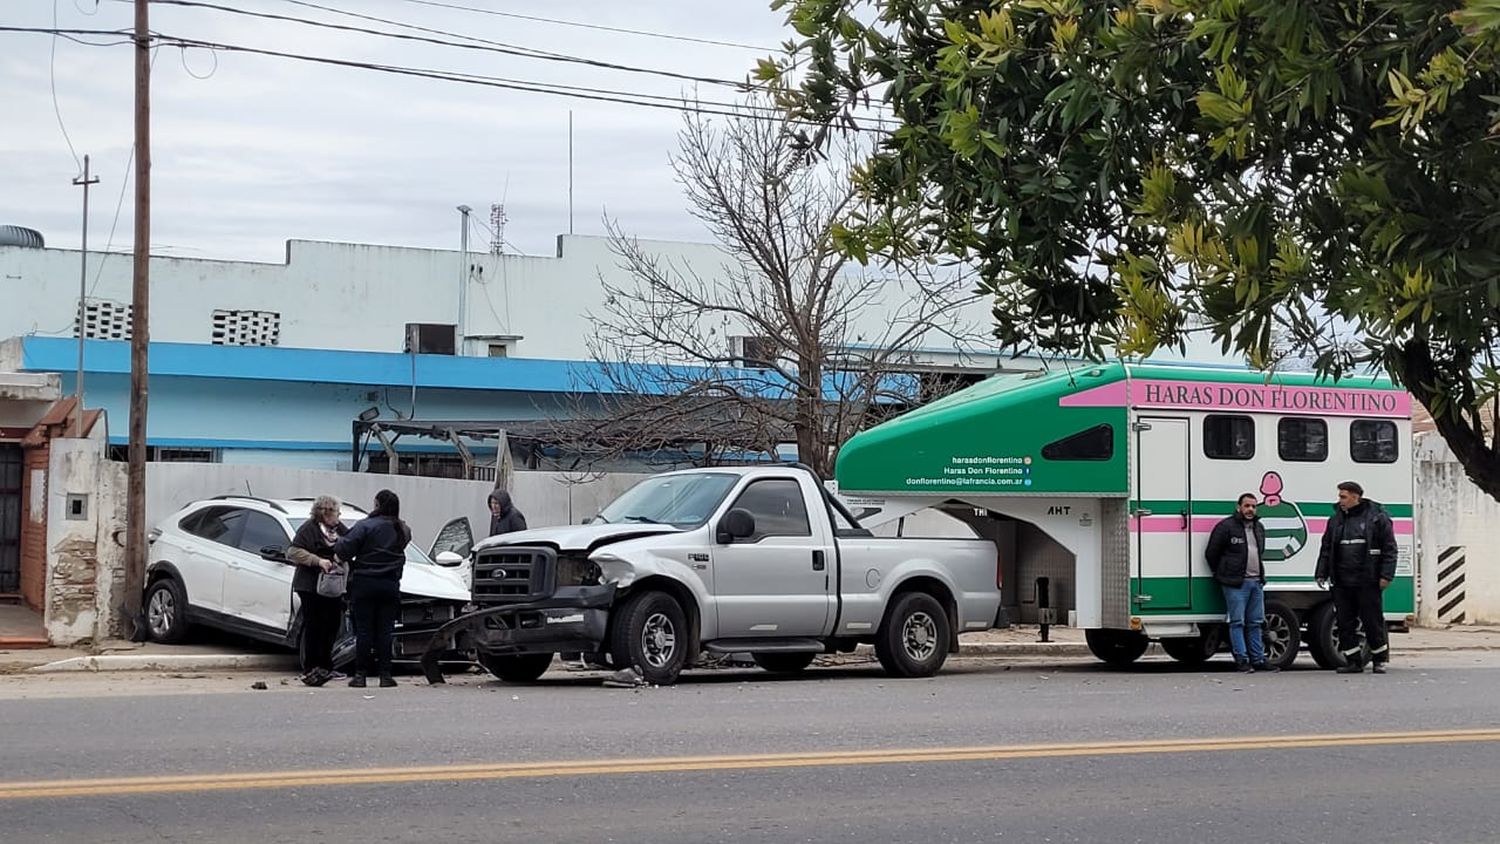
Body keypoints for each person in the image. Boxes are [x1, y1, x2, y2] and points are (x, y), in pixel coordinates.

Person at [1316, 481, 1399, 674]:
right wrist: (1321, 572)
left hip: (1367, 581)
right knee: (1345, 623)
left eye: (1343, 496)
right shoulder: (1335, 520)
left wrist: (1386, 575)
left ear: (1356, 496)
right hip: (1342, 582)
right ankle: (1353, 661)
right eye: (1340, 496)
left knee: (1372, 621)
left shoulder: (1377, 518)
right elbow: (1326, 548)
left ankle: (1379, 659)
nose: (1340, 501)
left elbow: (1390, 549)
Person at [334, 489, 411, 688]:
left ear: (377, 505)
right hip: (390, 584)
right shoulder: (402, 528)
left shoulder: (365, 526)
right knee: (386, 631)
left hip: (365, 583)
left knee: (365, 631)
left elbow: (344, 549)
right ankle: (386, 675)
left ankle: (361, 675)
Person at [1206, 493, 1274, 673]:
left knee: (1256, 623)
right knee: (1237, 622)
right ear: (1238, 507)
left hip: (1256, 582)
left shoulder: (1259, 527)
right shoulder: (1226, 527)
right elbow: (1211, 553)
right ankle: (1242, 659)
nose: (1250, 509)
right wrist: (1222, 574)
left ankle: (1258, 659)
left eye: (1253, 506)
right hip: (1235, 584)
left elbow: (1260, 552)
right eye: (1247, 506)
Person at [285, 495, 349, 687]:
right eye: (337, 512)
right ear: (325, 513)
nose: (339, 515)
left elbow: (351, 543)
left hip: (333, 586)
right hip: (310, 586)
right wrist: (318, 561)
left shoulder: (339, 530)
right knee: (314, 625)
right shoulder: (309, 529)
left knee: (332, 625)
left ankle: (326, 666)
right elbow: (293, 551)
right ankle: (311, 667)